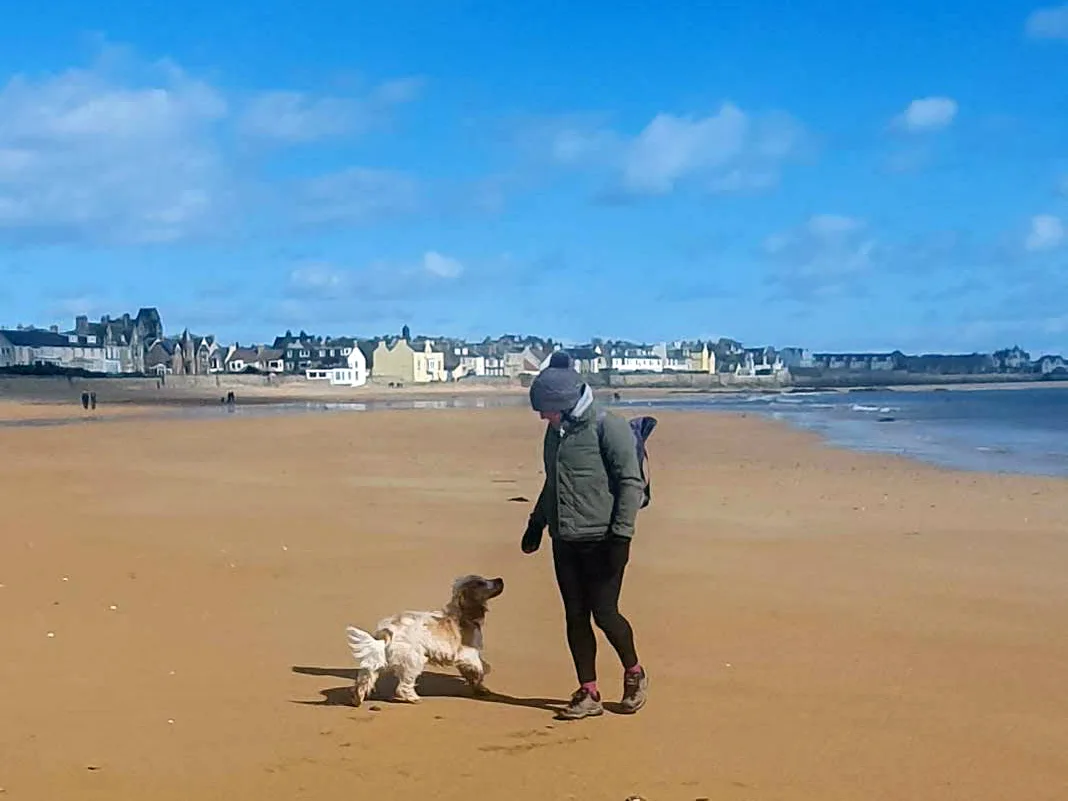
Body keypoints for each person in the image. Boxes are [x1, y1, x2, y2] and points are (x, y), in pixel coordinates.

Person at [522, 352, 648, 719]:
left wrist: (621, 538)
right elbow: (553, 483)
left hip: (603, 539)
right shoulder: (555, 432)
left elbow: (630, 483)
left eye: (546, 410)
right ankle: (588, 692)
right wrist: (536, 523)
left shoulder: (609, 427)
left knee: (605, 613)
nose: (543, 417)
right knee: (575, 616)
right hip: (565, 539)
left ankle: (635, 673)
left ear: (565, 403)